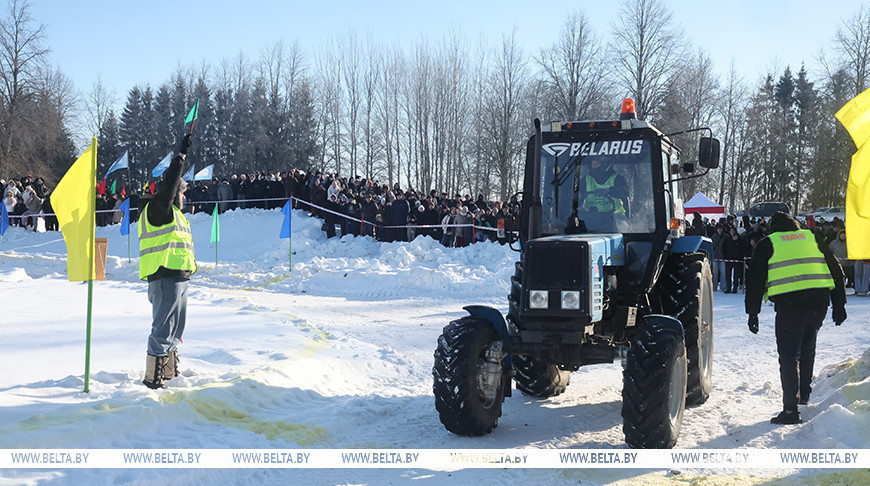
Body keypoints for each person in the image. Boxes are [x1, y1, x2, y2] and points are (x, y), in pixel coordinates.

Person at [744, 211, 846, 425]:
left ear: (773, 227)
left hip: (790, 307)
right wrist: (839, 305)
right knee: (807, 350)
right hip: (819, 304)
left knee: (789, 357)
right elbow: (836, 270)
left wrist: (753, 312)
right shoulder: (812, 238)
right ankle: (804, 396)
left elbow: (755, 279)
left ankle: (790, 411)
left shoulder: (767, 243)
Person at [138, 134, 196, 389]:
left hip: (179, 276)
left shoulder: (174, 214)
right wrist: (180, 157)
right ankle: (153, 379)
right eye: (181, 193)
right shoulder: (158, 209)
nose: (183, 197)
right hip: (164, 275)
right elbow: (171, 183)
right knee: (162, 329)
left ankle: (170, 372)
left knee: (175, 328)